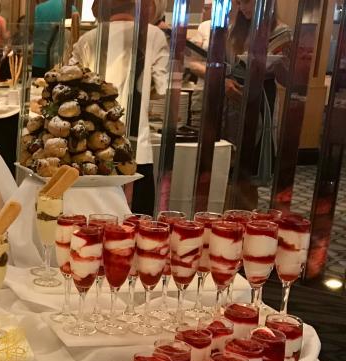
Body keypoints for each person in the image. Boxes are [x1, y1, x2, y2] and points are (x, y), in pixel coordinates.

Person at [187, 0, 290, 210]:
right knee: (224, 164)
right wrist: (224, 80)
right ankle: (218, 216)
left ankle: (243, 218)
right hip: (228, 99)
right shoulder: (234, 30)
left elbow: (287, 79)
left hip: (260, 100)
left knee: (247, 174)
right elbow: (218, 64)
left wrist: (282, 63)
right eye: (240, 2)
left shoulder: (282, 32)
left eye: (248, 2)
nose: (243, 8)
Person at [71, 0, 169, 215]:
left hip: (93, 147)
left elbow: (72, 88)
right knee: (136, 227)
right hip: (136, 147)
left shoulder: (88, 39)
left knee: (90, 222)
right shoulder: (152, 35)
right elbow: (163, 88)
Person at [31, 1, 71, 74]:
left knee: (37, 84)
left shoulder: (39, 8)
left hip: (38, 61)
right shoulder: (70, 8)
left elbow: (31, 31)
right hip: (61, 63)